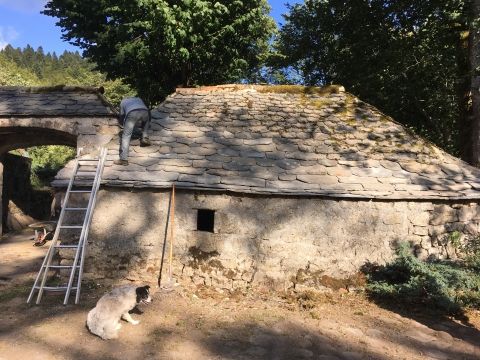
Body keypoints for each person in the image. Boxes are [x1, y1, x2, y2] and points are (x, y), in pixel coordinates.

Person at [114, 97, 151, 165]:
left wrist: (123, 125)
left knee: (126, 136)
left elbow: (122, 116)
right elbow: (147, 113)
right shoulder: (138, 98)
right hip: (145, 111)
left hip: (132, 113)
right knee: (146, 121)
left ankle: (123, 159)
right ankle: (145, 138)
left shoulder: (123, 101)